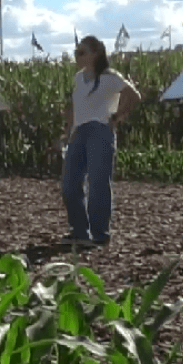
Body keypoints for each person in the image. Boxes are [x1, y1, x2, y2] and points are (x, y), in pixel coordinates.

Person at [60, 35, 141, 246]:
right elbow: (76, 108)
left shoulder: (109, 77)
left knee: (98, 183)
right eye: (76, 52)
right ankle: (79, 231)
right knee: (69, 184)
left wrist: (117, 116)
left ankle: (99, 234)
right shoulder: (78, 78)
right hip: (78, 132)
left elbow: (133, 95)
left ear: (96, 54)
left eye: (81, 52)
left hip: (99, 130)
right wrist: (67, 131)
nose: (77, 56)